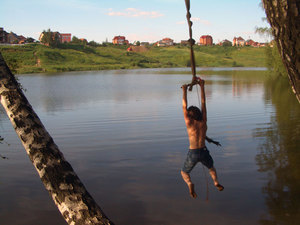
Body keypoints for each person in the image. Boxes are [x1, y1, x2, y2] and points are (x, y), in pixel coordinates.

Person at [181, 77, 224, 199]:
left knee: (184, 172)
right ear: (199, 113)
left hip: (193, 153)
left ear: (189, 116)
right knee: (211, 168)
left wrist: (184, 91)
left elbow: (184, 107)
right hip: (204, 151)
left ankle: (190, 184)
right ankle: (216, 182)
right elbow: (204, 102)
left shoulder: (189, 123)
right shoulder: (204, 121)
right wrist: (202, 87)